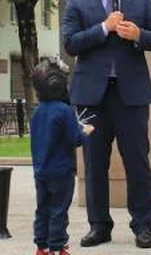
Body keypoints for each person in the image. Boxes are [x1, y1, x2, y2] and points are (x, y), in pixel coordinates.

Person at [62, 0, 151, 250]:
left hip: (130, 96)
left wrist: (138, 36)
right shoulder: (77, 4)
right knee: (95, 163)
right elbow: (71, 44)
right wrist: (103, 28)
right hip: (91, 98)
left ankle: (143, 226)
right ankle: (99, 226)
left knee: (137, 161)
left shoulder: (140, 1)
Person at [30, 56, 94, 255]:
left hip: (40, 171)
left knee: (42, 209)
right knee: (59, 210)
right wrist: (86, 132)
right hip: (61, 171)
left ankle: (41, 246)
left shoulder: (37, 112)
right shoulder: (65, 111)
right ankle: (58, 246)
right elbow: (73, 139)